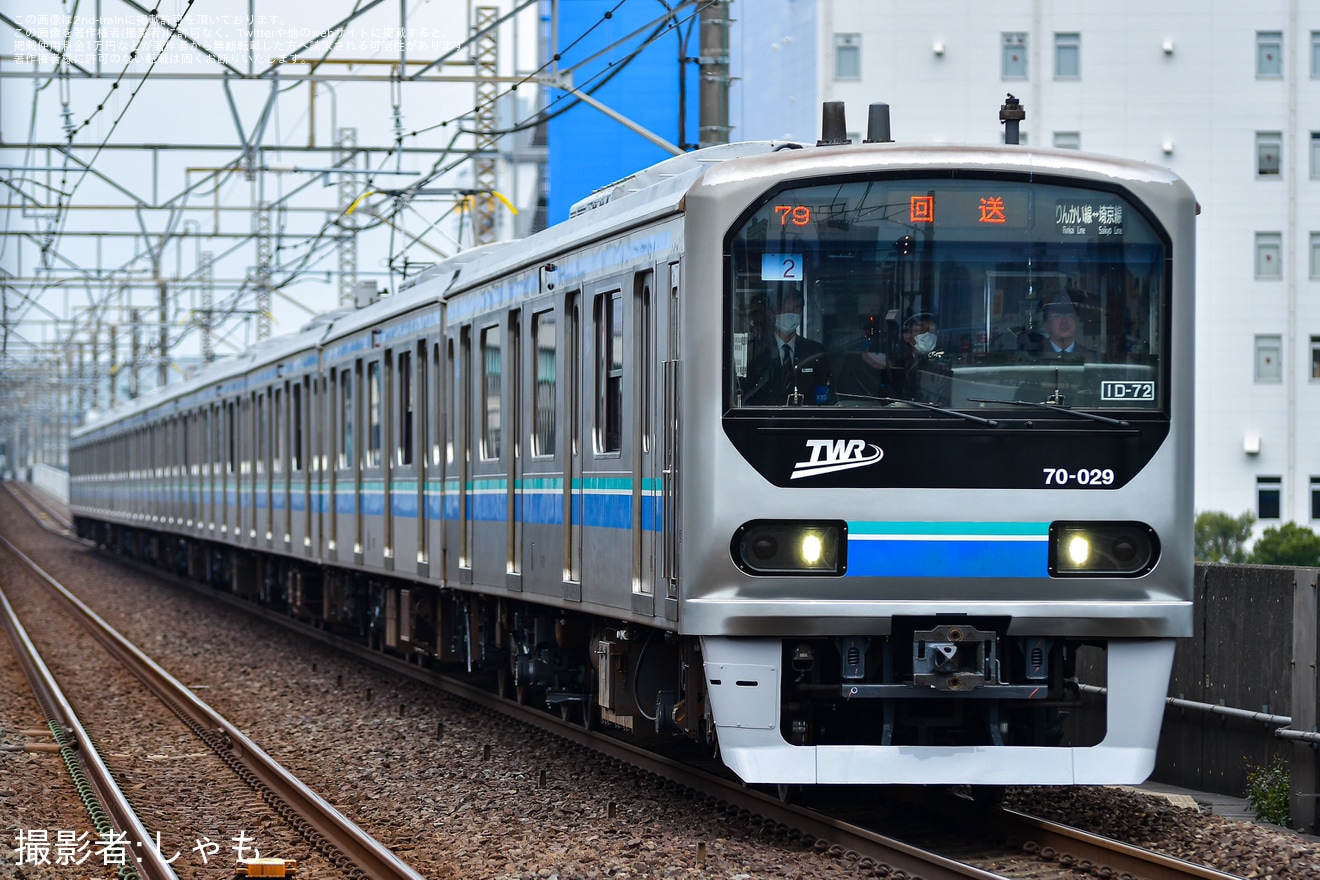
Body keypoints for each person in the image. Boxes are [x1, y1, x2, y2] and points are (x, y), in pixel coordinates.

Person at [741, 290, 833, 405]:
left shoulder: (815, 351)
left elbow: (823, 395)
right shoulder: (756, 350)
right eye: (784, 310)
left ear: (801, 312)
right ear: (772, 312)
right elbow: (747, 397)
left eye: (795, 309)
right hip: (766, 420)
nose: (789, 314)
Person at [840, 312, 948, 404]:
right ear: (907, 336)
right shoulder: (899, 364)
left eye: (930, 331)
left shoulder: (942, 363)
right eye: (920, 330)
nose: (926, 335)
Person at [1018, 292, 1091, 359]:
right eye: (1057, 316)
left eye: (1069, 315)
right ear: (1046, 325)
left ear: (1077, 322)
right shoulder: (1033, 355)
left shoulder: (1089, 357)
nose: (1064, 321)